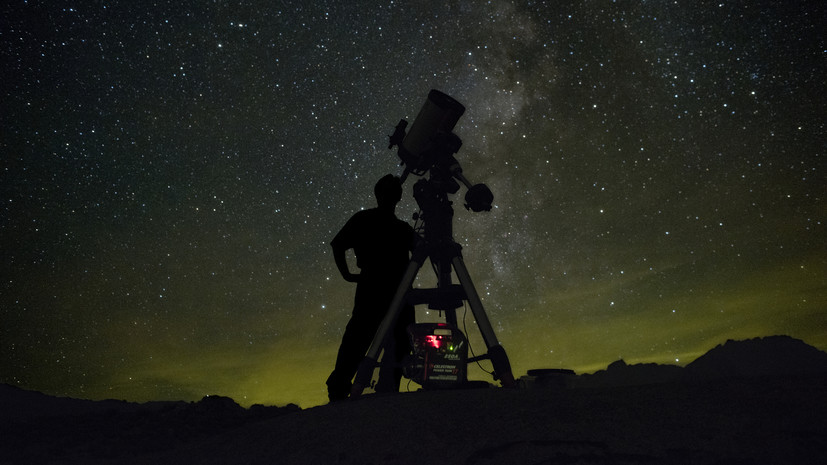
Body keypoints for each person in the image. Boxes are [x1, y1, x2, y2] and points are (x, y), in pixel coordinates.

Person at [326, 174, 418, 402]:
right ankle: (371, 390)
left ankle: (343, 391)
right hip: (391, 289)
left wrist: (348, 275)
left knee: (362, 340)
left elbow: (338, 245)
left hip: (380, 288)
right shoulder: (401, 228)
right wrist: (347, 275)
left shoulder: (365, 219)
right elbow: (337, 244)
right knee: (367, 339)